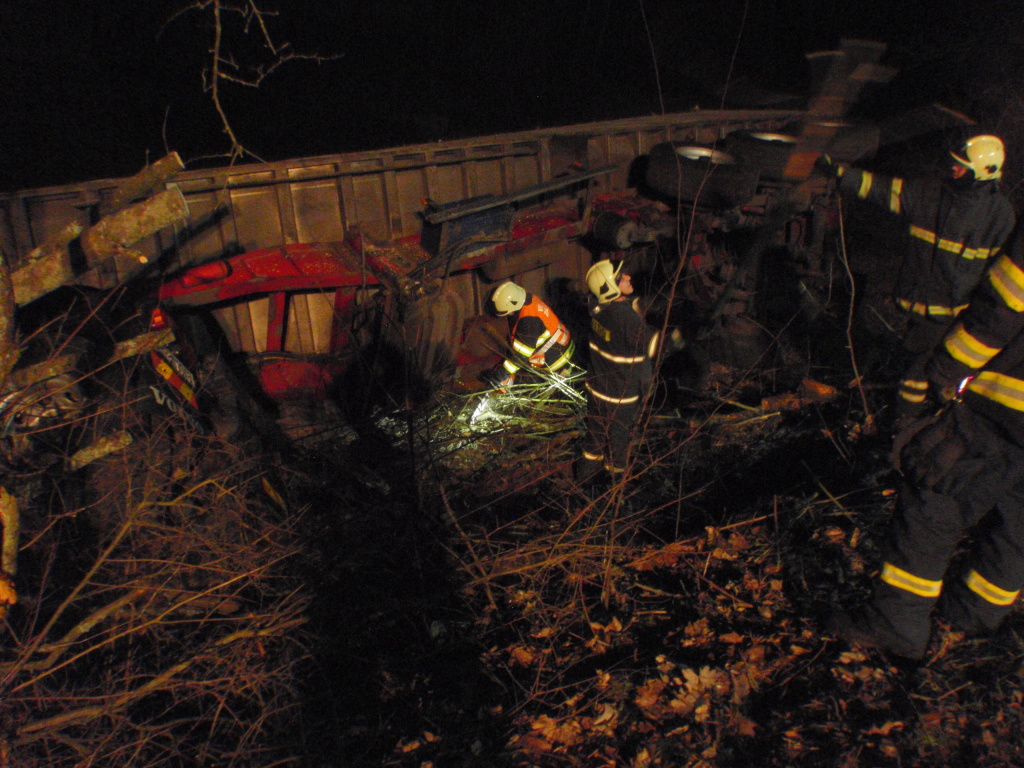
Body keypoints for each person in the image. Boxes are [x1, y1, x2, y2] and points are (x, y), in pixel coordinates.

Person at [829, 224, 1024, 661]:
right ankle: (973, 618)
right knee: (1018, 521)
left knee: (934, 496)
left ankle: (895, 623)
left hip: (1006, 406)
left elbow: (1006, 304)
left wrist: (945, 369)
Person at [816, 135, 1015, 422]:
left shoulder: (998, 216)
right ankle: (919, 415)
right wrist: (841, 174)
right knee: (915, 364)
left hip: (953, 313)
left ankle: (906, 423)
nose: (954, 168)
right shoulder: (930, 195)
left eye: (962, 166)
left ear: (983, 173)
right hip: (917, 303)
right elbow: (882, 189)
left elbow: (999, 273)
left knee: (918, 373)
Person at [574, 259, 676, 486]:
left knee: (594, 440)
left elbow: (624, 312)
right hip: (620, 396)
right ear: (610, 287)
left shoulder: (597, 307)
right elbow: (657, 346)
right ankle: (615, 487)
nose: (628, 277)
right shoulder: (626, 321)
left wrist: (643, 304)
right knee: (619, 445)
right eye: (621, 277)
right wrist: (682, 336)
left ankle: (584, 482)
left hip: (597, 390)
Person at [480, 281, 575, 390]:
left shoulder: (528, 321)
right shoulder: (531, 300)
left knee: (525, 387)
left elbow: (520, 357)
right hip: (565, 349)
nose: (509, 314)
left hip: (556, 362)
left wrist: (499, 376)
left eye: (508, 312)